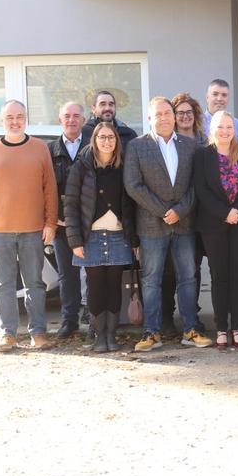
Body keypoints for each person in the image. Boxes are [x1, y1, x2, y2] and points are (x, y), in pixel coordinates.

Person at [124, 96, 209, 352]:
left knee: (188, 277)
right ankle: (152, 332)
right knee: (151, 280)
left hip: (184, 223)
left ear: (174, 117)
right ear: (150, 118)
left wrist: (180, 210)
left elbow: (197, 185)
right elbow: (133, 185)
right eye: (158, 114)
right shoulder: (137, 146)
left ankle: (190, 329)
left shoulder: (190, 145)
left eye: (167, 113)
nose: (164, 118)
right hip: (152, 225)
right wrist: (164, 211)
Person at [0, 100, 57, 353]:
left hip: (33, 229)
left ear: (26, 119)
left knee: (35, 284)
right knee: (4, 285)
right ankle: (8, 334)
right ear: (2, 120)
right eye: (10, 117)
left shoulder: (40, 148)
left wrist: (50, 223)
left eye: (19, 116)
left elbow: (50, 189)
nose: (15, 121)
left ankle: (38, 332)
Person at [65, 122, 138, 353]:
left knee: (114, 287)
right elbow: (71, 205)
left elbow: (131, 205)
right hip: (91, 237)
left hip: (118, 236)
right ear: (94, 140)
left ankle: (111, 334)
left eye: (111, 137)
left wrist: (134, 239)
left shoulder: (124, 166)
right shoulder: (82, 167)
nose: (107, 141)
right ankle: (98, 336)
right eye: (102, 137)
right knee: (95, 287)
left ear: (117, 141)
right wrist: (75, 240)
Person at [193, 111, 238, 351]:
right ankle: (222, 327)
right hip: (213, 225)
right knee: (219, 276)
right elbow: (201, 189)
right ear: (213, 129)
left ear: (235, 129)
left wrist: (237, 211)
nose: (225, 131)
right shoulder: (202, 155)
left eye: (229, 127)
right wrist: (224, 213)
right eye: (220, 127)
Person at [47, 101, 87, 339]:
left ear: (83, 119)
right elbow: (45, 188)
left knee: (92, 274)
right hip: (61, 225)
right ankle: (69, 319)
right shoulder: (49, 150)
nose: (71, 120)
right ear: (59, 119)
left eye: (76, 116)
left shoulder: (93, 147)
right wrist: (52, 221)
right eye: (67, 116)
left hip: (89, 223)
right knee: (67, 275)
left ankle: (92, 317)